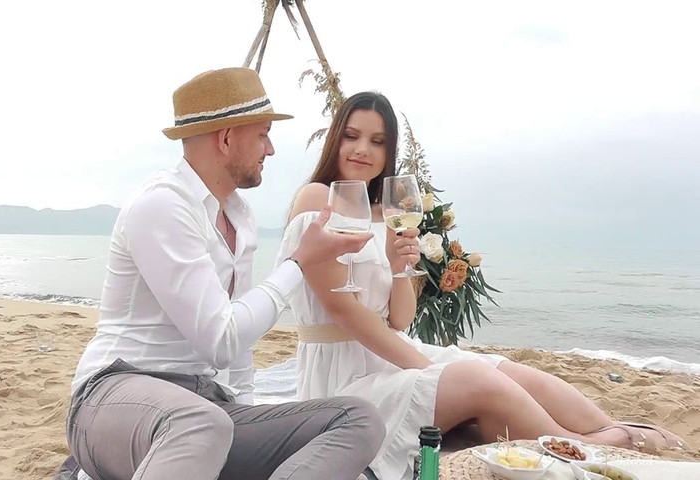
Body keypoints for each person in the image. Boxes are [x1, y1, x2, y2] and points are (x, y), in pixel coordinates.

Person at [275, 91, 686, 480]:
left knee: (511, 371)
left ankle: (612, 429)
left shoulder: (386, 211)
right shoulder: (317, 199)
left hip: (389, 352)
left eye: (377, 141)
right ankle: (590, 446)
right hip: (341, 373)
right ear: (335, 140)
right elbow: (344, 312)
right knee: (479, 379)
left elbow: (399, 319)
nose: (363, 149)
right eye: (352, 136)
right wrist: (429, 367)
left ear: (389, 151)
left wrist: (401, 267)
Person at [54, 68, 386, 480]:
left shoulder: (239, 217)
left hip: (205, 404)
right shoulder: (162, 206)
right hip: (112, 397)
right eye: (263, 134)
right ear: (226, 138)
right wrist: (298, 264)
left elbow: (240, 352)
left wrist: (244, 408)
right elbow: (221, 339)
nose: (271, 149)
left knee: (357, 419)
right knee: (200, 424)